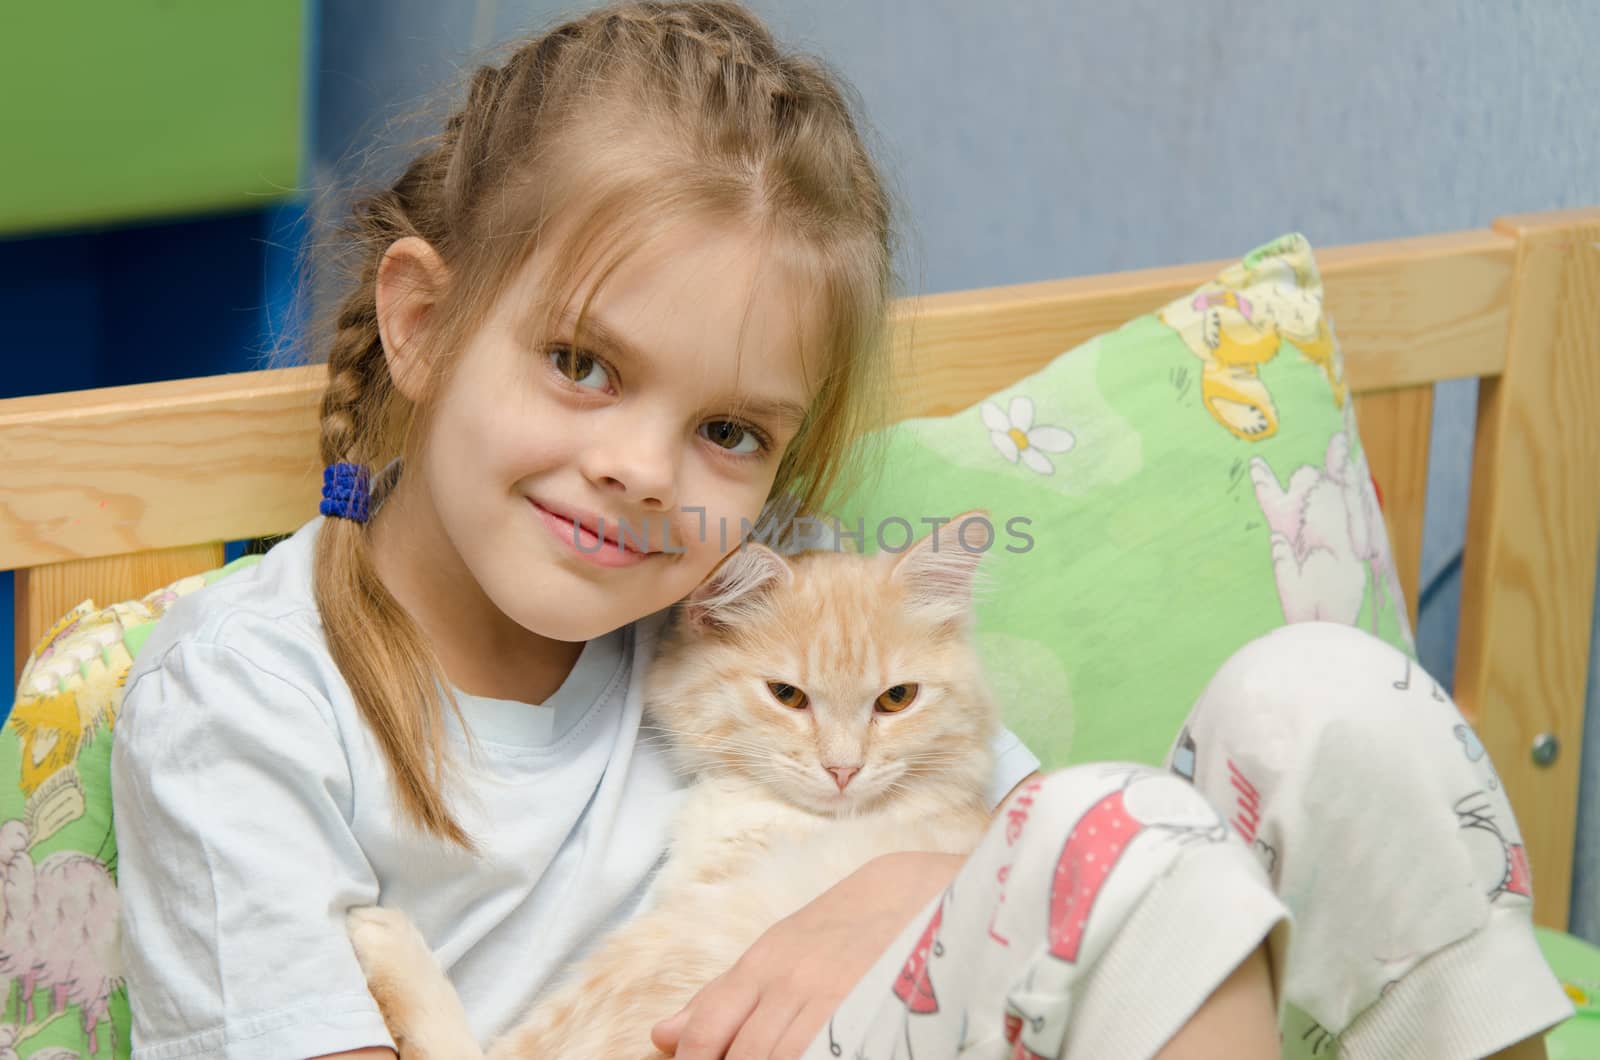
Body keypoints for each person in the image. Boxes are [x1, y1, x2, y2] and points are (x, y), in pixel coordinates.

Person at [109, 3, 1571, 1058]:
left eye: (728, 433)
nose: (638, 470)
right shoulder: (243, 694)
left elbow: (1027, 855)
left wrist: (896, 881)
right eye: (582, 364)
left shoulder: (749, 600)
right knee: (1108, 842)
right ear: (422, 325)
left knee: (1316, 700)